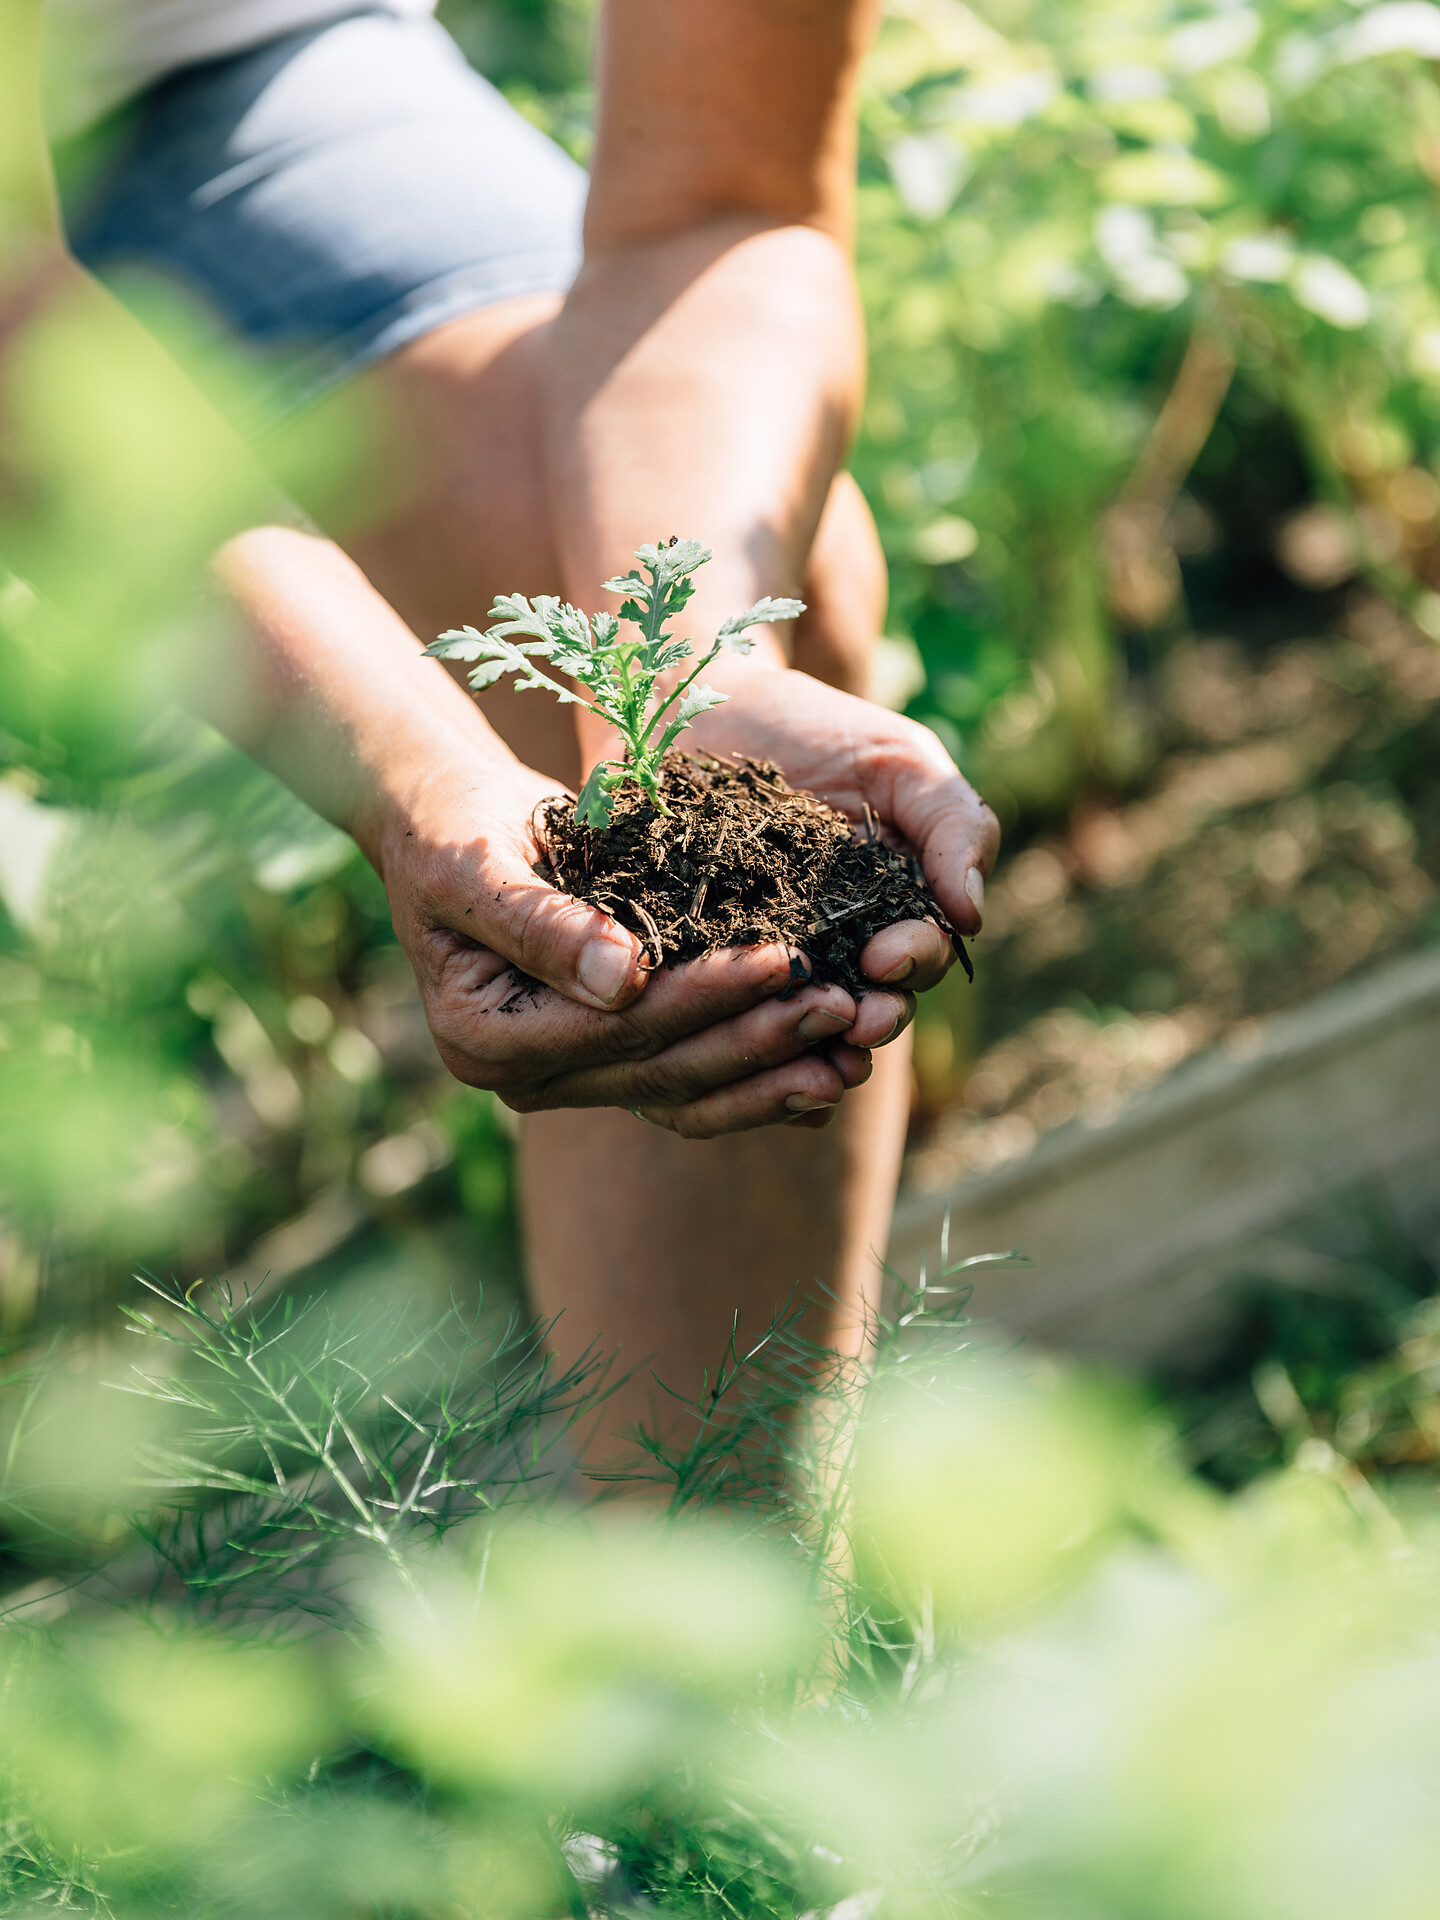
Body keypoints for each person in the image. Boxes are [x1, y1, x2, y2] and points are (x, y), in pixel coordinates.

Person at [9, 0, 998, 1466]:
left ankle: (733, 1629)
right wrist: (399, 762)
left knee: (707, 584)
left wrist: (679, 674)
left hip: (187, 61)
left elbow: (722, 209)